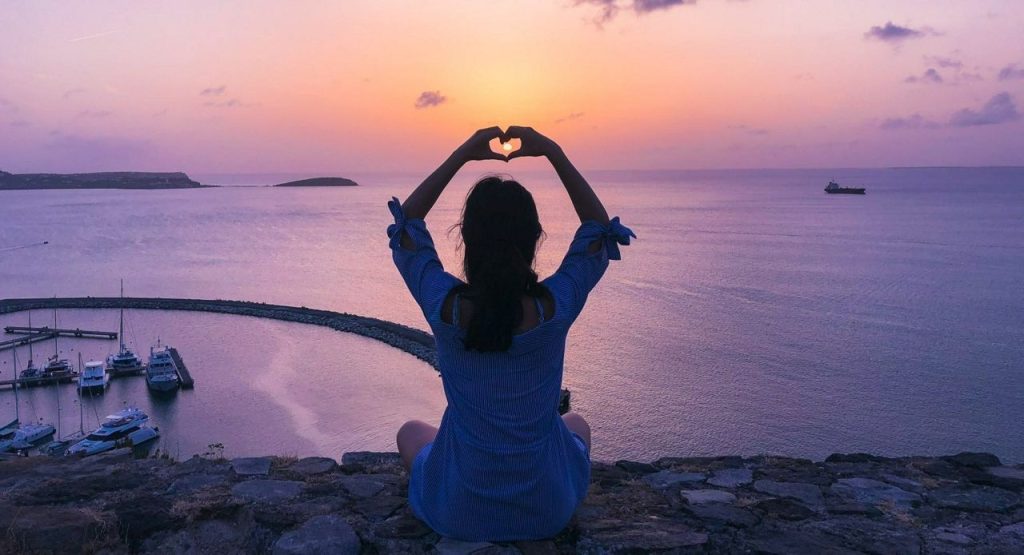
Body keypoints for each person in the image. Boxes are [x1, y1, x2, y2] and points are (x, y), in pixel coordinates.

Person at [388, 126, 634, 541]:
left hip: (459, 511)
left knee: (411, 432)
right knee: (576, 423)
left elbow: (406, 227)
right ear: (535, 238)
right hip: (545, 512)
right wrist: (553, 152)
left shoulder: (444, 306)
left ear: (465, 239)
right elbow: (598, 229)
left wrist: (464, 152)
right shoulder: (555, 307)